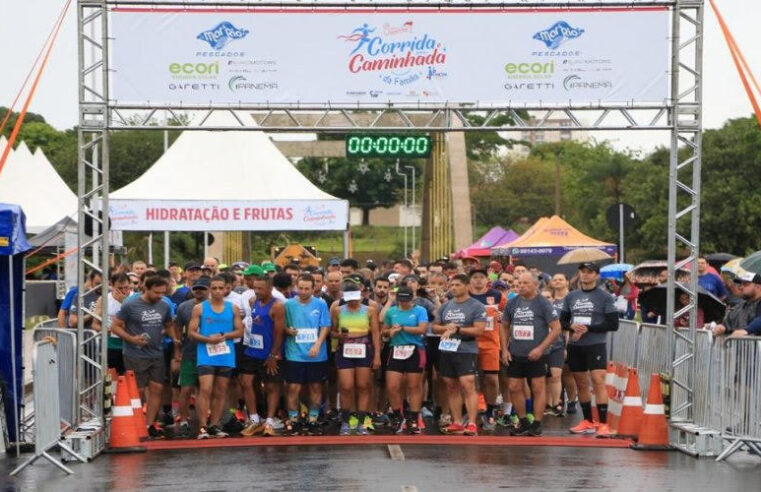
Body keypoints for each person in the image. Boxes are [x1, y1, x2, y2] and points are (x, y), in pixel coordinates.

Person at [111, 276, 174, 438]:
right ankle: (135, 421)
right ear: (146, 288)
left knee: (157, 388)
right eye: (156, 292)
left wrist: (175, 340)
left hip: (157, 352)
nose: (160, 295)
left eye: (162, 292)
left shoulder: (164, 305)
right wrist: (131, 339)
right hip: (135, 353)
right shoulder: (130, 304)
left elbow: (168, 324)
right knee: (137, 390)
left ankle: (148, 424)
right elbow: (115, 326)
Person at [560, 263, 619, 436]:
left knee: (597, 380)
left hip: (595, 344)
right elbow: (562, 322)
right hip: (575, 345)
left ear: (596, 275)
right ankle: (587, 420)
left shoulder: (605, 297)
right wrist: (572, 326)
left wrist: (589, 327)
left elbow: (613, 324)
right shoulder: (571, 296)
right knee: (581, 383)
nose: (585, 275)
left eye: (589, 272)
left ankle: (603, 424)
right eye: (582, 272)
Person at [501, 272, 561, 436]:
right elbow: (504, 325)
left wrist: (541, 348)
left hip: (537, 354)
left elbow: (556, 329)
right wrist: (505, 349)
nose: (521, 286)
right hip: (516, 352)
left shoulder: (543, 303)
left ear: (535, 285)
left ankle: (537, 423)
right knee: (513, 387)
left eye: (525, 283)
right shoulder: (512, 303)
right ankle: (523, 421)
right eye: (519, 283)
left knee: (537, 387)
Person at [188, 275, 244, 439]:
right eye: (214, 288)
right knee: (205, 389)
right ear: (210, 290)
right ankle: (203, 426)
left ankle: (214, 425)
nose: (218, 291)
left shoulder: (232, 308)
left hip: (225, 353)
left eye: (221, 288)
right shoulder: (200, 308)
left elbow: (240, 331)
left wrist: (223, 335)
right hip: (206, 353)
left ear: (227, 289)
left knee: (221, 391)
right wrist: (207, 339)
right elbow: (190, 333)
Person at [433, 274, 487, 436]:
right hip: (447, 349)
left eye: (457, 285)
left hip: (466, 350)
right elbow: (435, 327)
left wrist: (458, 329)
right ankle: (456, 421)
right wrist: (446, 328)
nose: (453, 288)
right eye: (451, 285)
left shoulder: (476, 306)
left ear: (467, 286)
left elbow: (479, 330)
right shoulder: (445, 306)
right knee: (451, 386)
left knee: (467, 384)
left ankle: (471, 423)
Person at [283, 274, 331, 435]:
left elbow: (325, 326)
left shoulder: (321, 304)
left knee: (315, 387)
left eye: (307, 289)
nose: (303, 292)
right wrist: (288, 330)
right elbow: (280, 325)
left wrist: (318, 344)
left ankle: (313, 419)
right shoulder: (288, 305)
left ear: (313, 288)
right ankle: (294, 419)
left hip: (315, 354)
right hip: (294, 353)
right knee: (293, 388)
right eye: (300, 288)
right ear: (296, 287)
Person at [239, 271, 285, 437]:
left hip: (270, 352)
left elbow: (280, 333)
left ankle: (270, 421)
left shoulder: (277, 306)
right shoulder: (253, 301)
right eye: (255, 288)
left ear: (270, 288)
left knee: (272, 386)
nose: (257, 291)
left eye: (260, 288)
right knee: (246, 382)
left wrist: (273, 355)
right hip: (252, 349)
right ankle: (254, 419)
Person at [331, 283, 381, 435]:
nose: (353, 302)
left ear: (360, 296)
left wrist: (377, 355)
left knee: (363, 386)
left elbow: (376, 334)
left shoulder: (370, 311)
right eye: (350, 299)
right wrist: (340, 335)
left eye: (355, 298)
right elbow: (332, 331)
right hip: (345, 350)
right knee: (346, 386)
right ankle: (346, 421)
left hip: (364, 349)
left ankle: (361, 421)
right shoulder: (338, 310)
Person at [382, 286, 428, 434]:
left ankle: (413, 418)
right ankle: (397, 416)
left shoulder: (420, 310)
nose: (403, 303)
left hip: (415, 349)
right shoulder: (391, 311)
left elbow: (422, 329)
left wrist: (402, 328)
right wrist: (390, 331)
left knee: (414, 386)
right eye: (401, 300)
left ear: (412, 298)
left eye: (406, 300)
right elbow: (384, 331)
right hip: (396, 349)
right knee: (392, 386)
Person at [172, 276, 210, 437]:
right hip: (189, 353)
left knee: (205, 390)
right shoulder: (183, 307)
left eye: (202, 288)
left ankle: (207, 423)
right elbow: (177, 327)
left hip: (209, 354)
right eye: (195, 288)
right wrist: (177, 352)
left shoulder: (216, 306)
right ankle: (184, 420)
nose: (198, 291)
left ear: (208, 289)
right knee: (186, 389)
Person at [468, 268, 503, 430]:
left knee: (491, 379)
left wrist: (502, 316)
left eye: (481, 277)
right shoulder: (465, 295)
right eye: (475, 277)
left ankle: (490, 410)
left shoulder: (496, 295)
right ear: (470, 280)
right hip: (469, 342)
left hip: (491, 343)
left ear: (487, 279)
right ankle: (471, 412)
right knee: (471, 379)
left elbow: (506, 316)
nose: (478, 280)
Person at [92, 273, 132, 375]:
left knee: (130, 375)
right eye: (119, 288)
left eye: (126, 287)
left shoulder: (135, 298)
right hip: (111, 344)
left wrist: (124, 301)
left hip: (130, 344)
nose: (123, 291)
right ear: (112, 286)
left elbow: (138, 322)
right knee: (111, 376)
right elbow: (94, 324)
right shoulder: (104, 299)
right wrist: (105, 330)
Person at [550, 273, 576, 416]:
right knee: (554, 374)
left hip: (569, 339)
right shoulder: (549, 299)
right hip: (552, 341)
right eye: (555, 279)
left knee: (567, 373)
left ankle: (572, 400)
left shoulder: (571, 298)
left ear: (567, 282)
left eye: (561, 279)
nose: (558, 281)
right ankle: (557, 401)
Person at [710, 272, 761, 337]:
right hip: (740, 346)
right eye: (741, 284)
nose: (741, 287)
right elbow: (729, 321)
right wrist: (722, 327)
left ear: (758, 287)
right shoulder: (741, 306)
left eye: (746, 284)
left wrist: (747, 330)